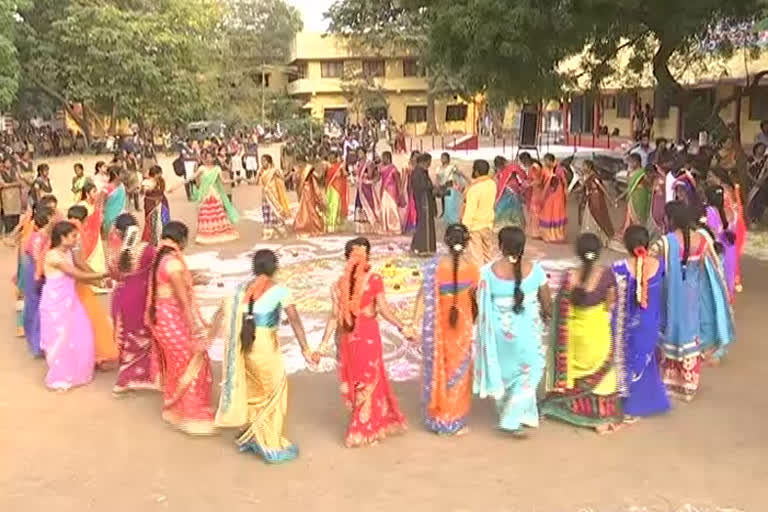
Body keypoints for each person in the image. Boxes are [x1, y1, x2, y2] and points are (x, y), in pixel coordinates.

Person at [213, 250, 316, 463]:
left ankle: (252, 435)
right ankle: (268, 443)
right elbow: (295, 320)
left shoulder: (241, 289)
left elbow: (223, 313)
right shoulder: (280, 291)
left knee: (254, 388)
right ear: (274, 269)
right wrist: (306, 349)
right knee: (275, 390)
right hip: (263, 345)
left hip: (244, 343)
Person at [318, 238, 409, 447]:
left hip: (347, 339)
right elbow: (384, 310)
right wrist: (402, 326)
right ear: (367, 257)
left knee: (357, 380)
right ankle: (362, 428)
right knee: (370, 379)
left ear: (345, 258)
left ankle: (366, 421)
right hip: (368, 337)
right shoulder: (374, 279)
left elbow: (334, 317)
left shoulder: (337, 285)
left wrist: (323, 346)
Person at [652, 201, 734, 401]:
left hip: (670, 295)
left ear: (671, 220)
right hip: (692, 296)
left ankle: (667, 380)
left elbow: (649, 260)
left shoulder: (665, 242)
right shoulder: (702, 240)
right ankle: (688, 384)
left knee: (669, 331)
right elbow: (714, 267)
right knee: (690, 334)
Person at [542, 233, 623, 432]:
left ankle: (572, 410)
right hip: (596, 332)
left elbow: (561, 307)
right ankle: (601, 421)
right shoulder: (606, 275)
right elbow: (611, 302)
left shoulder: (570, 276)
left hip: (574, 337)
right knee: (604, 376)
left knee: (576, 371)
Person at [474, 227, 552, 433]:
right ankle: (512, 416)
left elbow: (477, 302)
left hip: (499, 336)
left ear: (500, 246)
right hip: (527, 334)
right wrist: (547, 317)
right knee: (532, 369)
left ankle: (523, 414)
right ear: (523, 247)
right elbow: (547, 304)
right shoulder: (535, 271)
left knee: (505, 374)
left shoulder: (486, 273)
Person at [145, 221, 215, 435]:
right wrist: (195, 326)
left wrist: (194, 278)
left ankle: (176, 409)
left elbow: (168, 282)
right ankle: (191, 415)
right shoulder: (173, 264)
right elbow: (183, 299)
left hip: (161, 320)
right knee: (192, 361)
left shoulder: (161, 257)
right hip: (172, 319)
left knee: (177, 364)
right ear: (182, 240)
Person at [413, 224, 479, 435]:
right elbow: (476, 298)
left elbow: (422, 297)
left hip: (438, 328)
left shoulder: (434, 268)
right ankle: (453, 420)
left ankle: (439, 418)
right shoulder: (472, 269)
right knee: (459, 373)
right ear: (467, 243)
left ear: (446, 242)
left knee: (440, 369)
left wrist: (414, 323)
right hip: (461, 327)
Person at [612, 225, 670, 420]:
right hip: (650, 322)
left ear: (625, 245)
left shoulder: (619, 268)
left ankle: (630, 404)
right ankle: (645, 400)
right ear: (647, 244)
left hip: (628, 325)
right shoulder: (659, 265)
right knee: (645, 361)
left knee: (628, 360)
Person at [39, 221, 106, 391]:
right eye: (73, 236)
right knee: (61, 340)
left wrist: (101, 280)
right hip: (56, 305)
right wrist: (105, 274)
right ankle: (61, 376)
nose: (77, 239)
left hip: (70, 300)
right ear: (62, 237)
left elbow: (81, 265)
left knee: (81, 333)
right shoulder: (53, 256)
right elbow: (77, 274)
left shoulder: (68, 251)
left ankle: (77, 373)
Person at [107, 213, 160, 395]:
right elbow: (159, 269)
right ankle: (138, 377)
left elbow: (113, 277)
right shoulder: (146, 250)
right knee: (145, 334)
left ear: (118, 232)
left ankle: (127, 377)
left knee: (128, 335)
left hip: (122, 297)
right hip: (142, 296)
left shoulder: (113, 254)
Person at [68, 205, 118, 369]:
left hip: (68, 282)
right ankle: (97, 355)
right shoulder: (75, 235)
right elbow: (79, 262)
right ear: (83, 220)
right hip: (77, 283)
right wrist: (98, 278)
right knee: (91, 319)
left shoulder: (63, 231)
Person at [22, 207, 54, 357]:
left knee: (34, 306)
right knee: (38, 308)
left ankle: (36, 342)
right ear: (47, 221)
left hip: (33, 272)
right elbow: (37, 258)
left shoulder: (37, 236)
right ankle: (38, 344)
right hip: (38, 273)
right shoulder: (41, 239)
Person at [708, 168, 746, 293]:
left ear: (717, 177)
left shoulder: (723, 191)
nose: (708, 178)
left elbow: (733, 206)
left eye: (711, 176)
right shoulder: (722, 189)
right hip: (730, 222)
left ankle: (734, 279)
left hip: (729, 222)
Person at [192, 149, 239, 244]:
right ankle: (204, 233)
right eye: (207, 157)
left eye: (211, 157)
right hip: (205, 195)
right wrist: (179, 184)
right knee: (205, 213)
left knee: (216, 213)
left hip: (214, 194)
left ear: (214, 158)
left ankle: (218, 231)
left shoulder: (217, 168)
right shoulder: (202, 168)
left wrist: (236, 179)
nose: (209, 159)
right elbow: (193, 177)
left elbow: (223, 181)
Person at [461, 160, 497, 267]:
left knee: (476, 257)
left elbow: (470, 211)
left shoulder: (474, 189)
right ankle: (490, 278)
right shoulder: (492, 184)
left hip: (475, 227)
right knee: (488, 255)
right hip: (488, 224)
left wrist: (464, 228)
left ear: (476, 172)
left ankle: (480, 281)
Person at [579, 160, 614, 247]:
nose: (583, 168)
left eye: (584, 166)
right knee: (589, 217)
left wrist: (610, 199)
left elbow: (602, 188)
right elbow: (583, 188)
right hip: (590, 199)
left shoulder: (594, 177)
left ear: (589, 167)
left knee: (598, 217)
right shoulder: (586, 176)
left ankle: (601, 238)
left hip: (596, 199)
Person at [259, 155, 291, 240]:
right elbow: (255, 182)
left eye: (264, 161)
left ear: (269, 162)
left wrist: (290, 173)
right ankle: (269, 234)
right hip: (265, 196)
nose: (262, 163)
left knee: (275, 214)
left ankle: (281, 232)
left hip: (273, 195)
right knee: (266, 214)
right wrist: (243, 178)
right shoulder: (261, 171)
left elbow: (283, 179)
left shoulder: (274, 171)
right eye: (261, 161)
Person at [411, 153, 438, 256]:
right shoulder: (418, 173)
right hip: (423, 202)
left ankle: (419, 246)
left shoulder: (422, 172)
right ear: (424, 162)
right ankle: (424, 248)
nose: (429, 164)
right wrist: (432, 187)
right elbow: (421, 187)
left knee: (423, 224)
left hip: (426, 201)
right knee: (424, 225)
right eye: (428, 162)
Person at [616, 153, 650, 233]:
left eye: (631, 162)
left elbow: (648, 186)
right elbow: (629, 187)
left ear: (637, 162)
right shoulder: (632, 173)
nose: (630, 164)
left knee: (639, 217)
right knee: (630, 217)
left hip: (640, 197)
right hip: (632, 197)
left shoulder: (642, 173)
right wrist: (621, 196)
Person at [538, 153, 568, 243]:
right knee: (547, 211)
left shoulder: (559, 169)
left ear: (551, 160)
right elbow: (541, 181)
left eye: (546, 160)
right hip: (548, 193)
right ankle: (547, 235)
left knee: (556, 212)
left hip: (558, 193)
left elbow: (564, 181)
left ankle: (557, 235)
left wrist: (566, 191)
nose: (544, 162)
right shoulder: (544, 169)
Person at [293, 155, 325, 237]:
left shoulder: (309, 168)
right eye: (298, 162)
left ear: (304, 161)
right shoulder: (298, 169)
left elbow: (317, 177)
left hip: (309, 191)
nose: (299, 164)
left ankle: (314, 226)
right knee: (302, 209)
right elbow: (296, 181)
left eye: (300, 162)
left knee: (310, 208)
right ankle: (303, 225)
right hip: (302, 191)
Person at [494, 156, 526, 229]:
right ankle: (513, 224)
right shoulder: (508, 168)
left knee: (504, 207)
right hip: (508, 191)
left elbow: (521, 175)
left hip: (511, 191)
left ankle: (508, 224)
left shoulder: (512, 168)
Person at [142, 165, 171, 246]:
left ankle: (162, 238)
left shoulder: (161, 181)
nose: (160, 175)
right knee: (151, 222)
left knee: (163, 221)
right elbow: (145, 190)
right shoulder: (146, 182)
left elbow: (167, 189)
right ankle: (152, 241)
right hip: (151, 204)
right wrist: (152, 185)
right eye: (159, 174)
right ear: (155, 174)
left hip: (162, 202)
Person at [353, 155, 380, 234]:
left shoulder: (369, 163)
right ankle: (360, 229)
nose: (359, 154)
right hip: (360, 188)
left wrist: (367, 174)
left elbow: (371, 176)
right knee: (359, 205)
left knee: (368, 206)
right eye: (358, 153)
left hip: (367, 188)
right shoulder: (357, 164)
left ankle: (369, 227)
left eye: (361, 153)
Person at [378, 151, 403, 235]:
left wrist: (400, 192)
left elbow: (398, 181)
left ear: (388, 158)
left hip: (392, 191)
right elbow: (378, 178)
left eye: (384, 157)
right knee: (384, 208)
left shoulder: (393, 169)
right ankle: (385, 227)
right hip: (383, 190)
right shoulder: (381, 168)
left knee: (392, 208)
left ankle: (395, 227)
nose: (382, 159)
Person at [324, 151, 348, 233]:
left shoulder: (340, 166)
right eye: (330, 157)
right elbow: (324, 177)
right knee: (329, 205)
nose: (331, 158)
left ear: (336, 158)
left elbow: (345, 174)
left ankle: (333, 225)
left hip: (337, 188)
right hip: (329, 188)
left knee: (335, 206)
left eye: (333, 157)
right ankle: (329, 224)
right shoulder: (327, 166)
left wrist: (342, 170)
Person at [102, 165, 127, 237]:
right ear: (116, 175)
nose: (124, 175)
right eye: (121, 173)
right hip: (110, 217)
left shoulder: (121, 185)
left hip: (121, 214)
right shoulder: (106, 189)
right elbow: (101, 204)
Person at [400, 151, 419, 233]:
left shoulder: (419, 166)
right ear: (412, 157)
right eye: (415, 156)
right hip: (410, 188)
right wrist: (401, 190)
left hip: (419, 188)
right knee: (412, 205)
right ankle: (412, 223)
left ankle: (417, 223)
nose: (416, 158)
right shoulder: (407, 166)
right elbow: (403, 179)